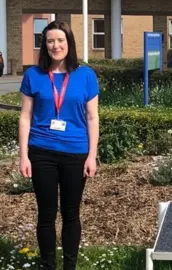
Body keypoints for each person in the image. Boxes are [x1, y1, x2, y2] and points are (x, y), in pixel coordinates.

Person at [18, 20, 99, 270]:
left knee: (71, 214)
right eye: (50, 41)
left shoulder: (86, 75)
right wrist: (23, 156)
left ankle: (70, 266)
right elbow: (25, 116)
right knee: (46, 215)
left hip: (75, 153)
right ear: (45, 45)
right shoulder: (33, 75)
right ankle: (48, 265)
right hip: (41, 152)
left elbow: (93, 117)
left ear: (69, 43)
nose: (56, 45)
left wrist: (91, 156)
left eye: (60, 40)